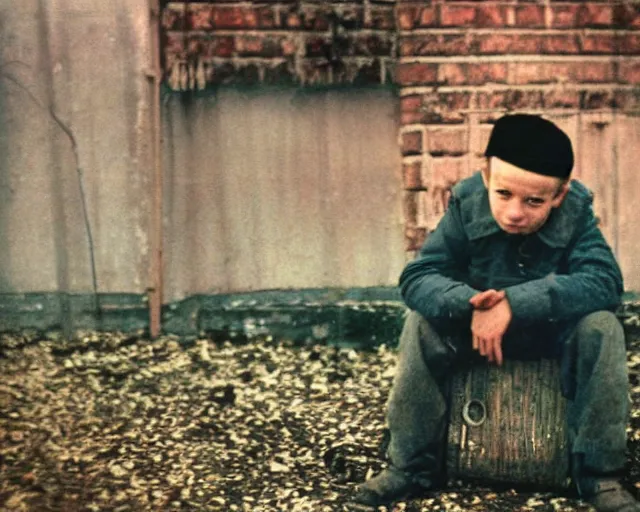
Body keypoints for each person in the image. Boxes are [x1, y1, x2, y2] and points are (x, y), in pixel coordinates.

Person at [351, 114, 639, 512]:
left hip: (549, 336)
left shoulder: (576, 213)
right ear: (486, 177)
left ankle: (599, 474)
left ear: (560, 195)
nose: (515, 212)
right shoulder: (467, 203)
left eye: (534, 201)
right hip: (472, 332)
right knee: (420, 324)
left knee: (603, 327)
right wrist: (467, 305)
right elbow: (418, 276)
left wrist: (514, 304)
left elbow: (605, 281)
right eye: (503, 194)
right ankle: (409, 466)